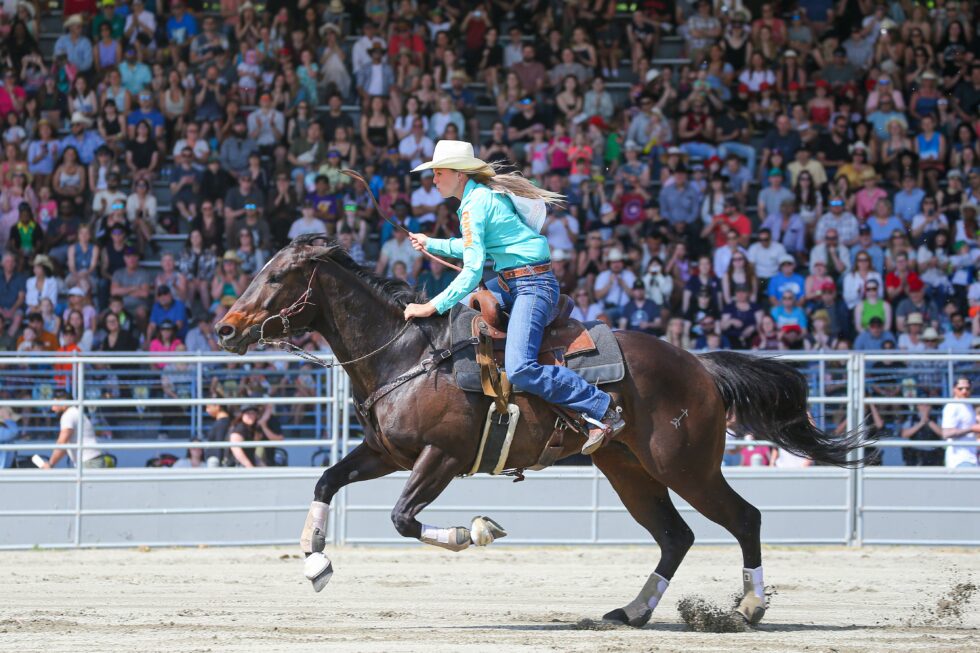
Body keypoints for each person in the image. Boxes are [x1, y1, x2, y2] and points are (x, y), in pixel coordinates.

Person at [404, 140, 624, 454]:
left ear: (460, 175)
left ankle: (601, 408)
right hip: (515, 283)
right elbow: (469, 246)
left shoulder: (473, 205)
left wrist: (430, 306)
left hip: (532, 287)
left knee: (521, 367)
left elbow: (470, 271)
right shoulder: (479, 198)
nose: (434, 179)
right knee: (464, 318)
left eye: (438, 173)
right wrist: (433, 243)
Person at [39, 391, 105, 469]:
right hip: (91, 459)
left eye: (54, 403)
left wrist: (50, 464)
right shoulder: (74, 412)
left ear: (62, 402)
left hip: (89, 461)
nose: (52, 408)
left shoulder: (68, 415)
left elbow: (62, 442)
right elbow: (64, 445)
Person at [940, 377, 980, 468]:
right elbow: (946, 433)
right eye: (960, 388)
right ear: (954, 389)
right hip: (959, 460)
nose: (964, 391)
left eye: (967, 388)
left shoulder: (968, 405)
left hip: (971, 456)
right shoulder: (952, 406)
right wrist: (971, 428)